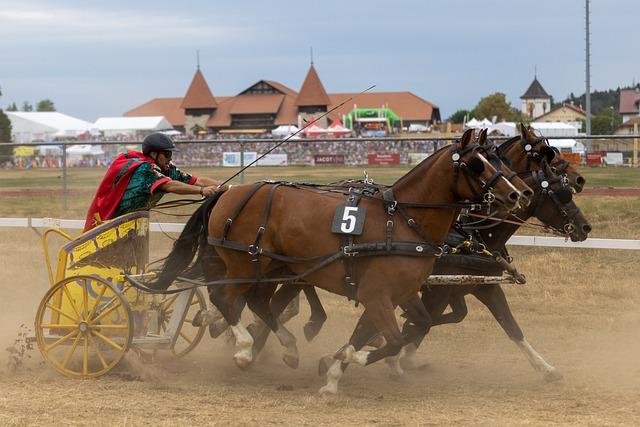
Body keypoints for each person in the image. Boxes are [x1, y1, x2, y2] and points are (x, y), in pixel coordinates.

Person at [83, 132, 225, 232]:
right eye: (167, 154)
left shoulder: (165, 168)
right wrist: (202, 191)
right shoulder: (146, 169)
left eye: (171, 154)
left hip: (131, 223)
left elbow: (197, 180)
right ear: (154, 154)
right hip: (112, 222)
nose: (170, 158)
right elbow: (169, 185)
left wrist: (226, 187)